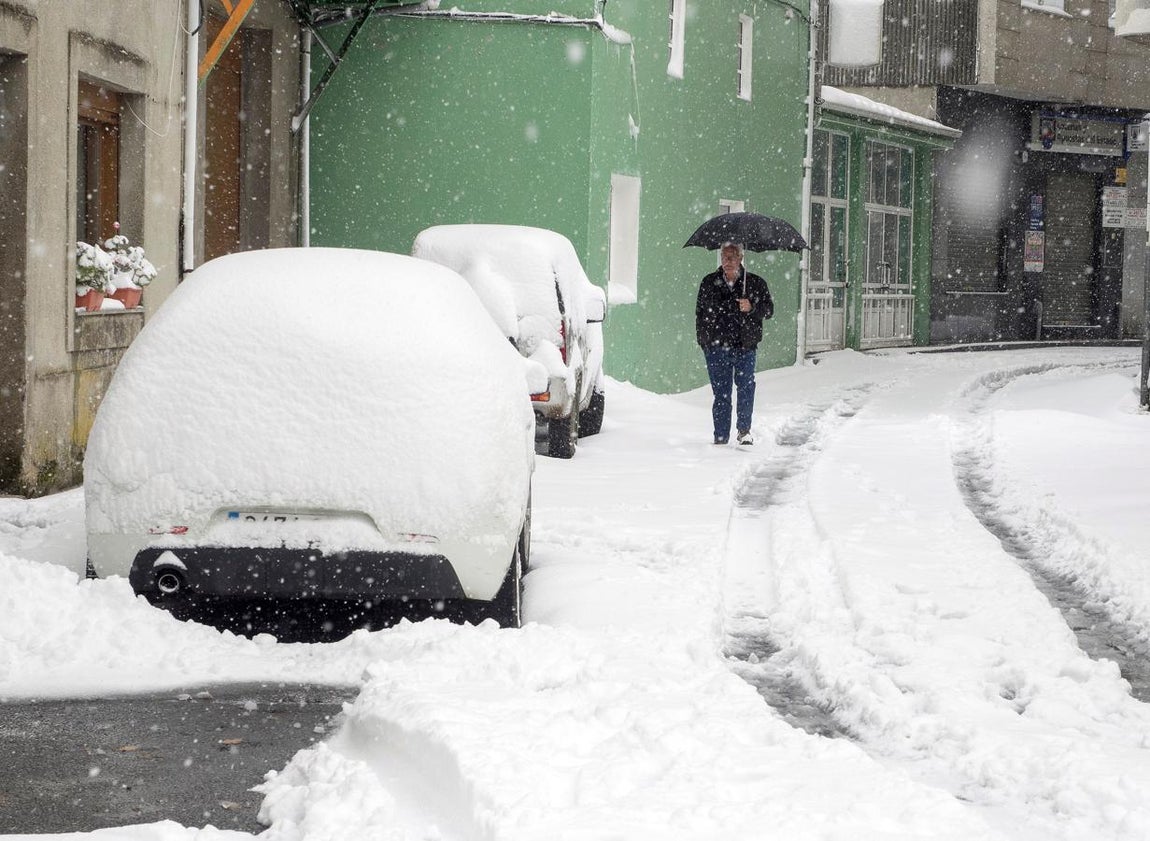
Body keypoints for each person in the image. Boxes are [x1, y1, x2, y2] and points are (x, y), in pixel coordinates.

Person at [695, 242, 773, 445]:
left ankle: (744, 430)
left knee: (746, 387)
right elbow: (700, 314)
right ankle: (720, 436)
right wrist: (704, 342)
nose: (727, 261)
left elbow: (769, 310)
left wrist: (752, 307)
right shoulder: (709, 282)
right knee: (721, 393)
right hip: (716, 347)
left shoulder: (754, 283)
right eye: (724, 257)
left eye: (731, 257)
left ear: (740, 258)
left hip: (744, 346)